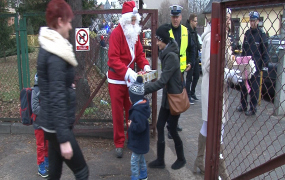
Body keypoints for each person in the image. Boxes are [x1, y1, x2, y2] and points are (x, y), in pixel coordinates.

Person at [37, 0, 89, 179]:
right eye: (68, 22)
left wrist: (68, 86)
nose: (70, 26)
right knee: (82, 171)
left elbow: (54, 86)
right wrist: (65, 139)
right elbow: (56, 96)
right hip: (57, 127)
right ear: (59, 22)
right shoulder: (56, 53)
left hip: (52, 126)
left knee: (55, 173)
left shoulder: (50, 46)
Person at [107, 0, 151, 158]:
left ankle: (130, 138)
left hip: (129, 79)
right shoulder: (116, 34)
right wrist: (129, 72)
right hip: (117, 80)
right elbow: (113, 59)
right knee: (118, 113)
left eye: (135, 19)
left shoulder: (134, 34)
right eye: (132, 19)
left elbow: (139, 54)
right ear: (125, 19)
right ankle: (118, 142)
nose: (134, 22)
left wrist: (145, 65)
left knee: (131, 111)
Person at [194, 13, 233, 179]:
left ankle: (199, 160)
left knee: (207, 125)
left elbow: (226, 61)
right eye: (228, 18)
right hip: (212, 88)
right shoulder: (211, 38)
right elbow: (210, 65)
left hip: (216, 87)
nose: (230, 21)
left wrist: (235, 63)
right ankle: (222, 173)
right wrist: (228, 73)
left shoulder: (223, 37)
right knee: (218, 130)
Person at [145, 23, 186, 170]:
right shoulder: (166, 54)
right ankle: (160, 160)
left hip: (174, 99)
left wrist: (144, 89)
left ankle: (181, 158)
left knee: (172, 129)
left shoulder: (172, 57)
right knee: (160, 125)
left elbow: (162, 81)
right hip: (167, 99)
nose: (156, 43)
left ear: (164, 40)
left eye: (158, 40)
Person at [166, 5, 192, 138]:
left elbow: (190, 49)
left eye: (177, 17)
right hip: (170, 72)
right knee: (171, 99)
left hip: (181, 72)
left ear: (181, 17)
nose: (175, 19)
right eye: (173, 17)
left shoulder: (185, 31)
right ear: (171, 17)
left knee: (180, 99)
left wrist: (190, 62)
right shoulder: (166, 31)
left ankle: (175, 124)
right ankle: (170, 127)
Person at [237, 11, 269, 116]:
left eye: (254, 21)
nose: (252, 23)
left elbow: (265, 52)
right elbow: (243, 49)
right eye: (251, 21)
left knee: (254, 88)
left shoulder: (262, 35)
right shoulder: (247, 33)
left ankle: (253, 108)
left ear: (258, 21)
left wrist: (263, 65)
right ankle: (243, 105)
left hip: (256, 66)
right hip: (246, 65)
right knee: (243, 86)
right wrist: (241, 61)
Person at [127, 76, 151, 180]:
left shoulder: (137, 112)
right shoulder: (141, 107)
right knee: (141, 159)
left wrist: (131, 125)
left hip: (138, 141)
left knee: (134, 160)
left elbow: (139, 127)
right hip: (141, 141)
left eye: (130, 96)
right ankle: (144, 175)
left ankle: (135, 177)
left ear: (133, 98)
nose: (129, 98)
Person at [31, 73, 49, 178]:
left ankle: (47, 162)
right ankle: (40, 166)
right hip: (39, 124)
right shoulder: (35, 91)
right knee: (41, 145)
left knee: (47, 143)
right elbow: (35, 108)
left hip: (46, 123)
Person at [185, 13, 201, 104]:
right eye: (195, 21)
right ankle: (187, 95)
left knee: (197, 76)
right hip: (189, 58)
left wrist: (199, 47)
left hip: (195, 57)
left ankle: (192, 92)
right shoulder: (187, 31)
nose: (196, 23)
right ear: (191, 21)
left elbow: (197, 42)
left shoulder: (194, 31)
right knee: (189, 78)